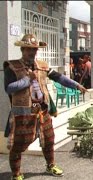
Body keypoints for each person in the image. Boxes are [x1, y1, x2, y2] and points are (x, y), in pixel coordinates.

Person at [3, 34, 87, 180]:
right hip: (23, 113)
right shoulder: (12, 67)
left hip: (42, 111)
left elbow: (59, 78)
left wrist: (76, 85)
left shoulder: (42, 66)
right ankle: (16, 174)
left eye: (34, 49)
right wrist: (27, 80)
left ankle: (51, 165)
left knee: (49, 139)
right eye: (29, 49)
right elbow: (9, 88)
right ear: (22, 49)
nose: (32, 52)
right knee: (18, 144)